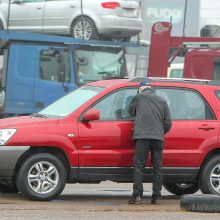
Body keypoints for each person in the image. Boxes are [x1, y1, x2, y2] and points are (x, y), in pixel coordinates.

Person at [128, 79, 172, 205]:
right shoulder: (162, 100)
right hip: (158, 138)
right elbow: (168, 123)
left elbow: (130, 112)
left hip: (142, 137)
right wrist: (159, 132)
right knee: (158, 167)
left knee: (139, 166)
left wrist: (137, 94)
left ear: (141, 88)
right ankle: (156, 197)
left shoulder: (138, 97)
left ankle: (137, 196)